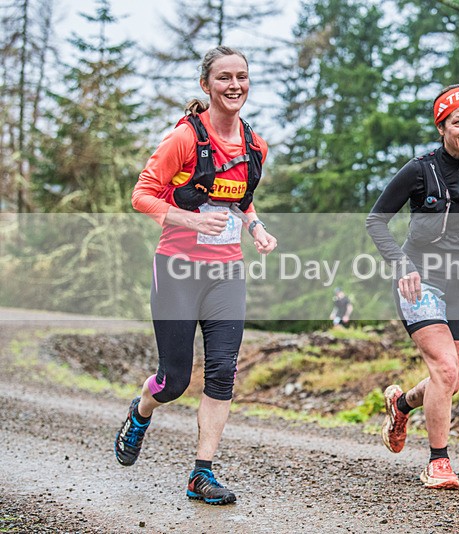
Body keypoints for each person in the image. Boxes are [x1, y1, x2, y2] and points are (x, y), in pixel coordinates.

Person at [116, 46, 277, 505]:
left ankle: (201, 473)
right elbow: (142, 195)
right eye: (223, 78)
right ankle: (141, 410)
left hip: (226, 271)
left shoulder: (254, 145)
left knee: (223, 371)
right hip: (178, 269)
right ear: (206, 86)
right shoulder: (184, 139)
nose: (234, 86)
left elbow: (238, 198)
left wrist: (256, 227)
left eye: (241, 77)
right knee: (174, 381)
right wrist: (188, 221)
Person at [366, 84, 459, 489]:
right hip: (420, 279)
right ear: (442, 126)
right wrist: (401, 264)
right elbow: (375, 221)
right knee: (444, 369)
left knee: (453, 377)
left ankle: (401, 403)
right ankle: (438, 462)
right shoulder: (419, 170)